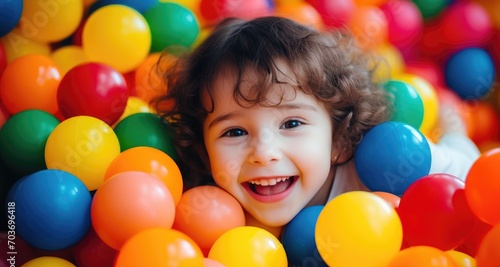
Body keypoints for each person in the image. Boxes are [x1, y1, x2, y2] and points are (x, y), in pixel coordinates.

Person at [156, 16, 480, 227]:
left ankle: (454, 130)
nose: (264, 152)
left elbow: (474, 179)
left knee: (455, 145)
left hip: (449, 153)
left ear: (339, 140)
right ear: (204, 151)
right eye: (235, 131)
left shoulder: (385, 171)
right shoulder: (208, 214)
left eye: (292, 124)